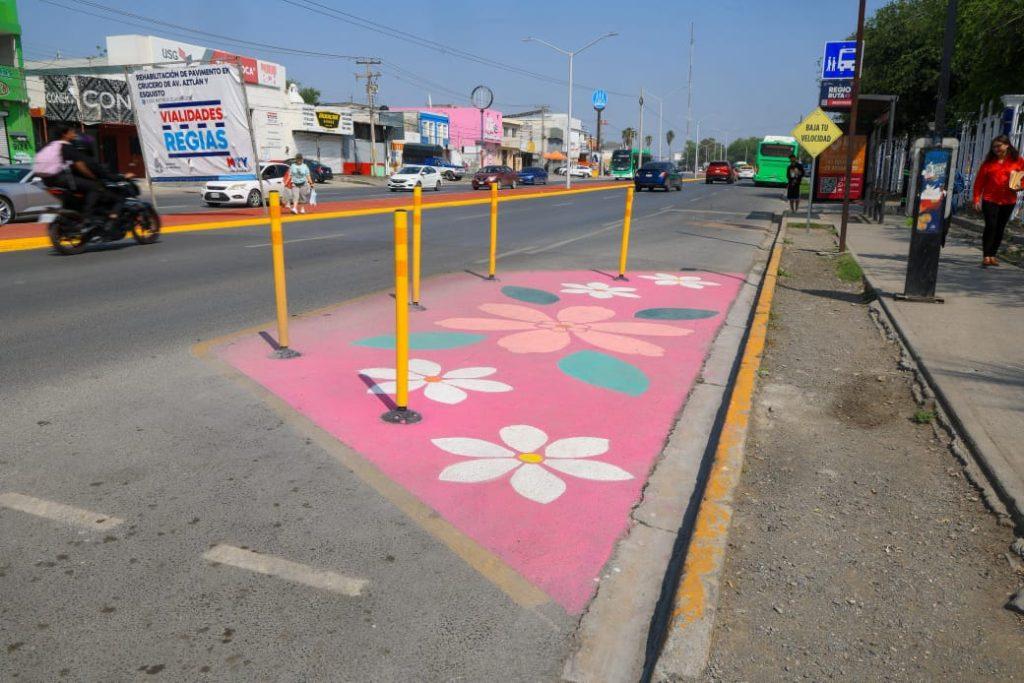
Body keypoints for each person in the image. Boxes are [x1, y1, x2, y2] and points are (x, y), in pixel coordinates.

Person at [972, 135, 1024, 267]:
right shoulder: (988, 163)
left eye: (998, 146)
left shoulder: (1018, 161)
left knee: (1000, 228)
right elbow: (979, 182)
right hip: (990, 199)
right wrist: (976, 199)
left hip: (1008, 200)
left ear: (1007, 145)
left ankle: (993, 255)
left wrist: (1020, 186)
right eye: (994, 147)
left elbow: (1023, 178)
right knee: (991, 226)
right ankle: (986, 256)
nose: (996, 149)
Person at [39, 124, 106, 221]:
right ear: (64, 134)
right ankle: (87, 216)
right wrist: (93, 177)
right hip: (61, 179)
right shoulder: (66, 147)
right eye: (72, 132)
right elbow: (81, 167)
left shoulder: (49, 145)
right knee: (95, 187)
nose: (74, 134)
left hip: (47, 181)